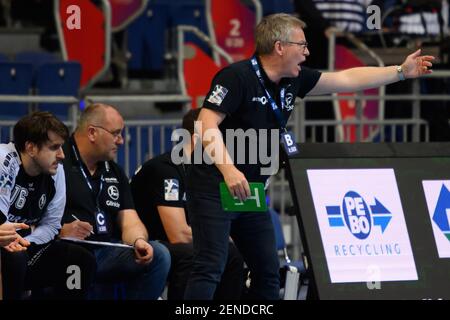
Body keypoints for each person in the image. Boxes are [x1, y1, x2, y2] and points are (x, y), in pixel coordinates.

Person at [183, 13, 434, 300]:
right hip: (214, 186)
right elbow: (205, 123)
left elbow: (345, 78)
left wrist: (400, 71)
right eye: (301, 45)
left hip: (250, 192)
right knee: (210, 267)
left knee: (267, 273)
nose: (307, 52)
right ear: (280, 47)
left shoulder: (294, 81)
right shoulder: (237, 76)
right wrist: (229, 170)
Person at [130, 109, 244, 300]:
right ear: (198, 137)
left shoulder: (213, 172)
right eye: (218, 137)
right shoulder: (166, 169)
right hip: (148, 244)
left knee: (235, 252)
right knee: (196, 253)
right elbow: (179, 235)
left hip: (187, 241)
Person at [59, 103, 170, 300]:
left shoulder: (114, 171)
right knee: (76, 260)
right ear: (92, 133)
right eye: (116, 133)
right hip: (67, 250)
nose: (121, 141)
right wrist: (60, 231)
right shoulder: (58, 162)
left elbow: (130, 220)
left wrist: (139, 241)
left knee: (159, 255)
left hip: (106, 250)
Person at [0, 112, 96, 300]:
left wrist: (27, 241)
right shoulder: (5, 160)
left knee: (78, 259)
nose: (62, 155)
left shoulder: (56, 171)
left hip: (27, 244)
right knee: (14, 258)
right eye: (54, 147)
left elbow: (52, 225)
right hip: (5, 248)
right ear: (31, 148)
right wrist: (14, 240)